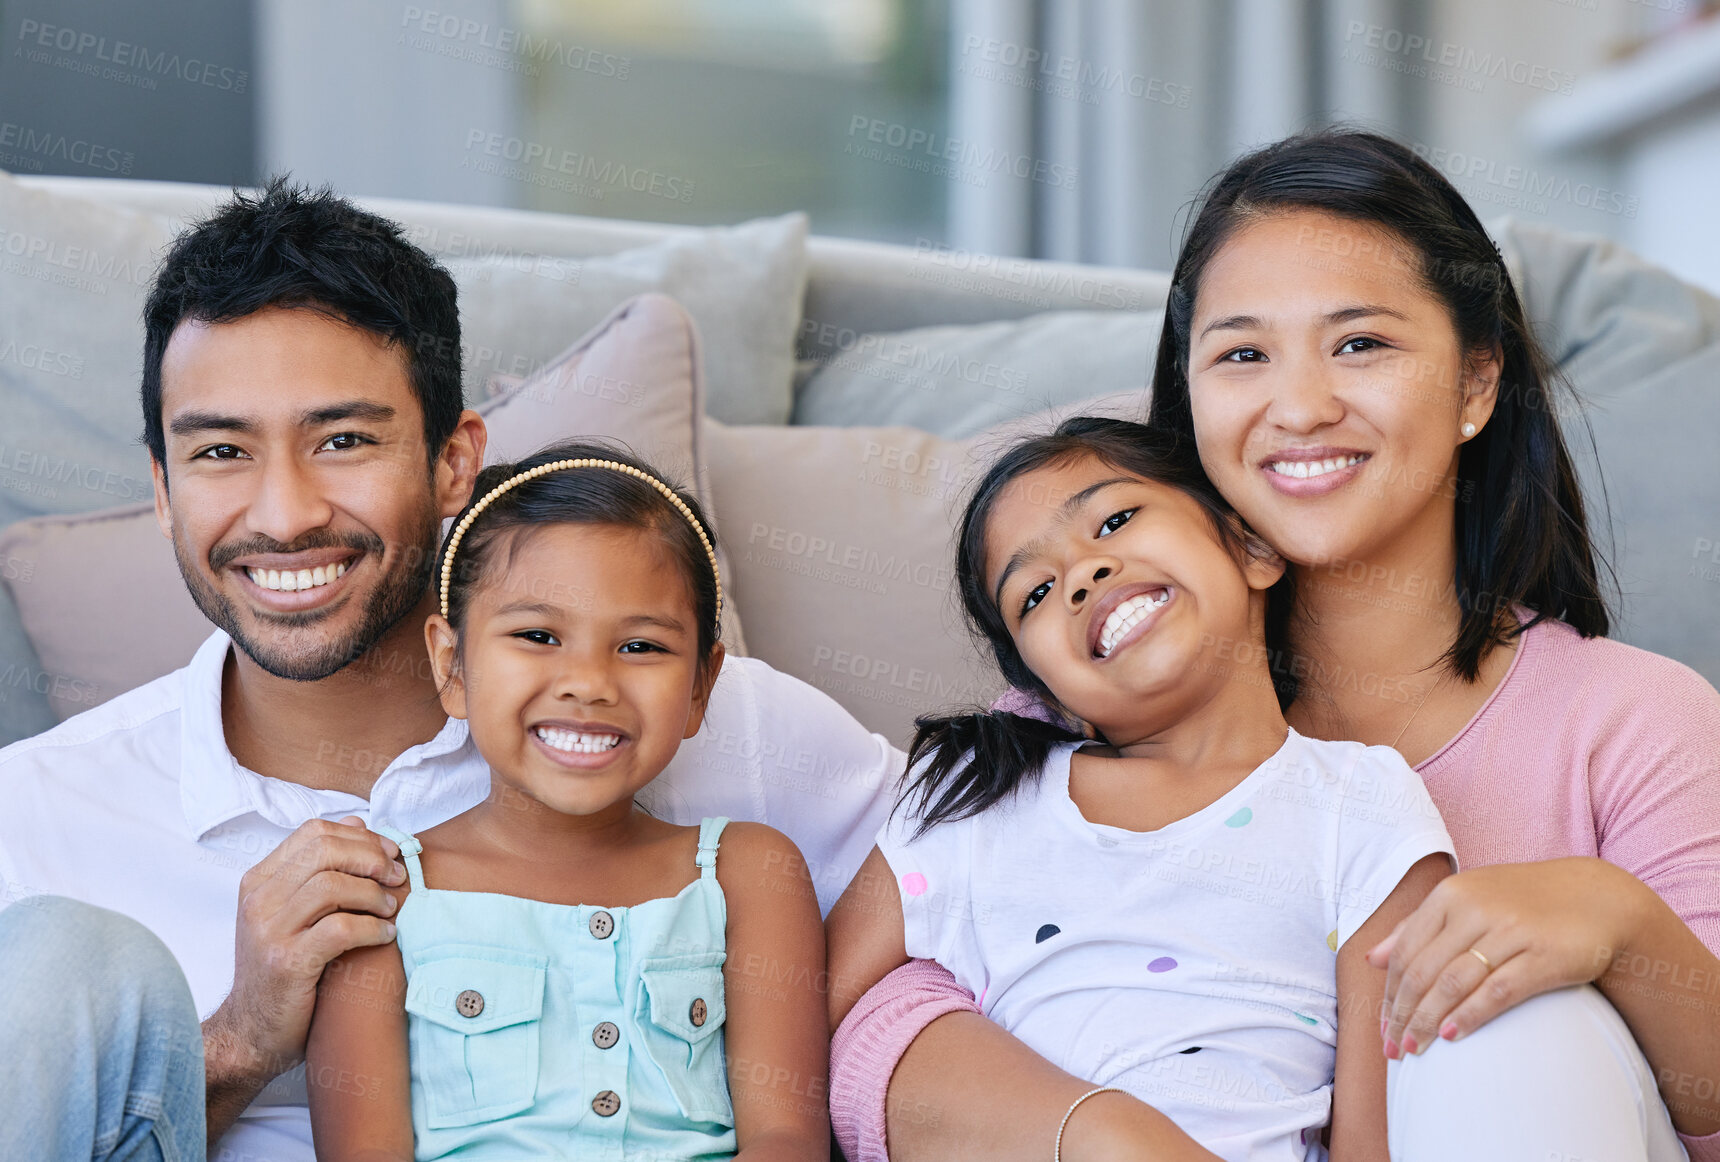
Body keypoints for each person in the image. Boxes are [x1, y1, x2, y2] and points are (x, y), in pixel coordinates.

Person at [831, 130, 1720, 1162]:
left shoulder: (1632, 721)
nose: (1299, 408)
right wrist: (1100, 1130)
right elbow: (856, 1032)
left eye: (1360, 344)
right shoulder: (1071, 721)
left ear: (1477, 384)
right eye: (1242, 354)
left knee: (1507, 1009)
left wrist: (1618, 923)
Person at [0, 180, 898, 1162]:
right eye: (221, 451)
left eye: (343, 440)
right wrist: (237, 1041)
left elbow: (993, 860)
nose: (285, 513)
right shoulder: (37, 818)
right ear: (163, 490)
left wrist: (833, 1035)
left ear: (452, 461)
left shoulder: (677, 710)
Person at [826, 418, 1453, 1160]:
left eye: (1115, 521)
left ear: (1250, 546)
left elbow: (1380, 1130)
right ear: (1041, 686)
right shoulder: (972, 797)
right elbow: (804, 1013)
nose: (1084, 576)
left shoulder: (1364, 798)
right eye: (1034, 593)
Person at [306, 442, 829, 1160]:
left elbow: (786, 1138)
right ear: (451, 664)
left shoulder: (747, 873)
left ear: (702, 687)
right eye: (538, 635)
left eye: (641, 647)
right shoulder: (382, 896)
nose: (588, 682)